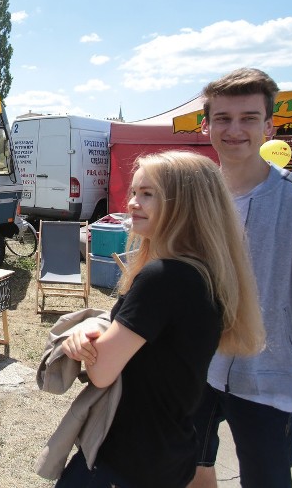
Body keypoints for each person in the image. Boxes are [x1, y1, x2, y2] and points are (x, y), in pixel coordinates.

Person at [58, 151, 265, 487]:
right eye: (134, 192)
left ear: (186, 204)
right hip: (169, 451)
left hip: (127, 457)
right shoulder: (206, 272)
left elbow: (101, 371)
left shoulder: (163, 277)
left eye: (148, 194)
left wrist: (91, 331)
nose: (133, 204)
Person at [189, 68, 292, 487]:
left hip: (269, 380)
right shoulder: (192, 200)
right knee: (189, 468)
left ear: (268, 126)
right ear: (207, 125)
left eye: (249, 117)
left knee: (267, 480)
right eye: (222, 118)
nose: (234, 129)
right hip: (197, 370)